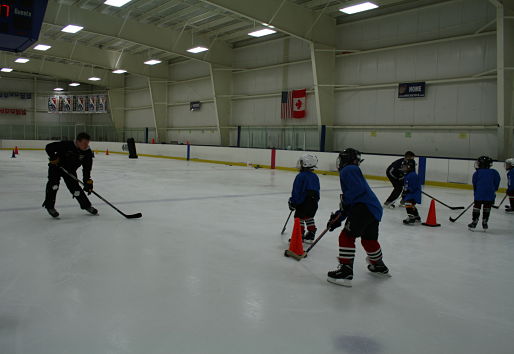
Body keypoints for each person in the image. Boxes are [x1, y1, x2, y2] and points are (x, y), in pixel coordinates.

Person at [326, 148, 390, 287]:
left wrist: (341, 213)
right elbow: (351, 199)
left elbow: (354, 195)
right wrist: (339, 216)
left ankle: (346, 271)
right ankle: (379, 265)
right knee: (369, 240)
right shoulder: (353, 170)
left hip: (363, 208)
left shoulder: (348, 169)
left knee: (346, 237)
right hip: (373, 209)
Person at [42, 132, 98, 218]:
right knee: (54, 186)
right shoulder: (66, 144)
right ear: (78, 142)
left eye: (87, 143)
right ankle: (50, 206)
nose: (86, 145)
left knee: (75, 189)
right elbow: (49, 147)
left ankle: (86, 205)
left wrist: (87, 181)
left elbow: (86, 169)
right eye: (84, 143)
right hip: (57, 167)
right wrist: (53, 158)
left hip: (70, 171)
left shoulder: (87, 153)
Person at [288, 154, 320, 243]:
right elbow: (317, 191)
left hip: (304, 202)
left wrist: (293, 202)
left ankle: (299, 235)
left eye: (301, 162)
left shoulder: (300, 176)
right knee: (309, 217)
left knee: (299, 218)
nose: (300, 164)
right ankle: (311, 233)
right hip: (314, 202)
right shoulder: (315, 176)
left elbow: (296, 190)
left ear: (306, 164)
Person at [469, 156, 500, 230]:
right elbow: (497, 182)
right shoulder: (494, 172)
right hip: (490, 195)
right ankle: (485, 222)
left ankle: (474, 222)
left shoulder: (477, 173)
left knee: (477, 207)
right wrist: (494, 190)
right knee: (487, 207)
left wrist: (476, 195)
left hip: (479, 195)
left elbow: (475, 185)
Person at [401, 159, 422, 225]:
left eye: (405, 166)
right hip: (410, 194)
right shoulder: (408, 174)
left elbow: (414, 186)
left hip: (414, 194)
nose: (403, 168)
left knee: (408, 204)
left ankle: (411, 218)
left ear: (410, 167)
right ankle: (417, 217)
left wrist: (407, 190)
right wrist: (404, 192)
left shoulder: (413, 175)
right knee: (411, 205)